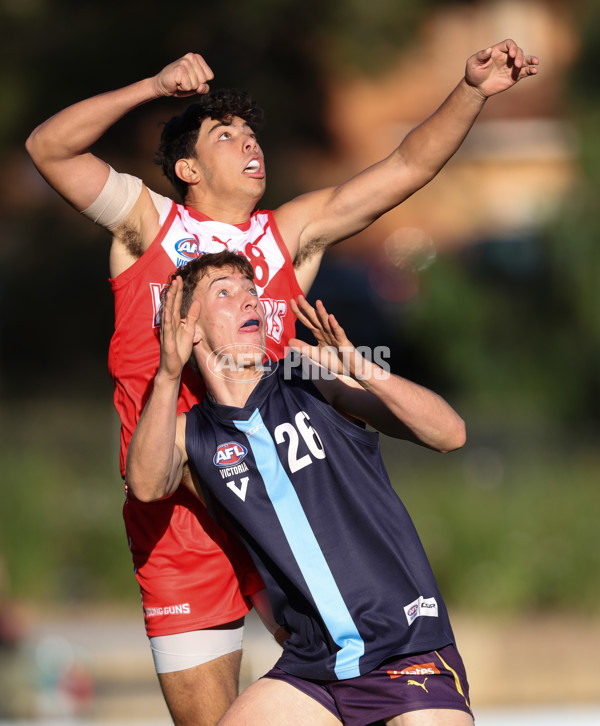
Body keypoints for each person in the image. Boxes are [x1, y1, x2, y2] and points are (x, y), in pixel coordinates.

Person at [25, 39, 538, 725]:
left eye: (253, 134)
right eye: (226, 135)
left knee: (344, 680)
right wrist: (151, 87)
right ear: (187, 167)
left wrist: (472, 90)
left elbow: (407, 167)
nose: (250, 145)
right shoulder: (148, 226)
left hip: (277, 510)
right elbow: (49, 149)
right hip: (178, 516)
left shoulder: (288, 235)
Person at [126, 250, 470, 726]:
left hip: (404, 642)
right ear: (190, 327)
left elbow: (450, 434)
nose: (248, 299)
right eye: (224, 292)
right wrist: (167, 372)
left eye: (251, 291)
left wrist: (358, 366)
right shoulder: (194, 434)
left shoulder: (308, 379)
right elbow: (144, 485)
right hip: (313, 666)